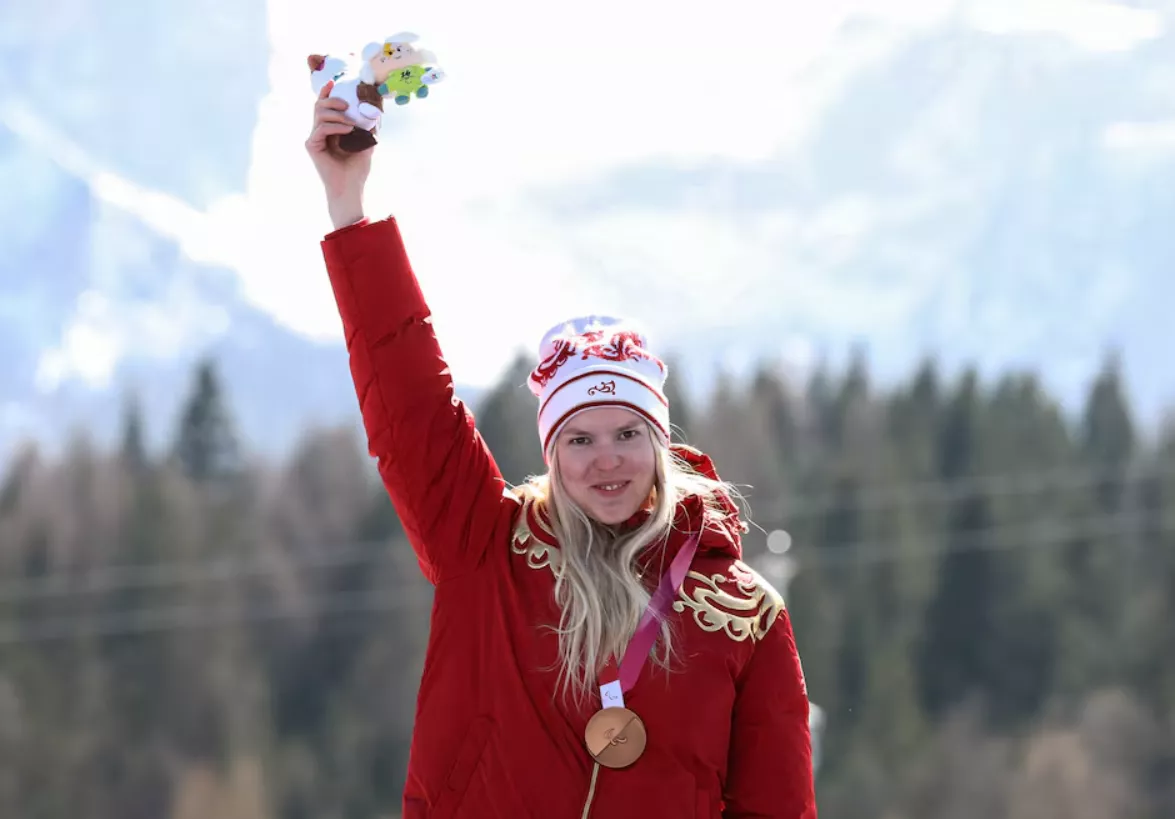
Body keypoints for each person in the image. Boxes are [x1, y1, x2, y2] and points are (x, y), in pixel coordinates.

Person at [307, 81, 817, 819]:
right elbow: (410, 405)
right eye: (578, 439)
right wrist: (349, 209)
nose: (604, 458)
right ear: (550, 449)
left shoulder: (741, 612)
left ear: (659, 440)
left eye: (626, 434)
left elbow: (777, 806)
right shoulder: (486, 544)